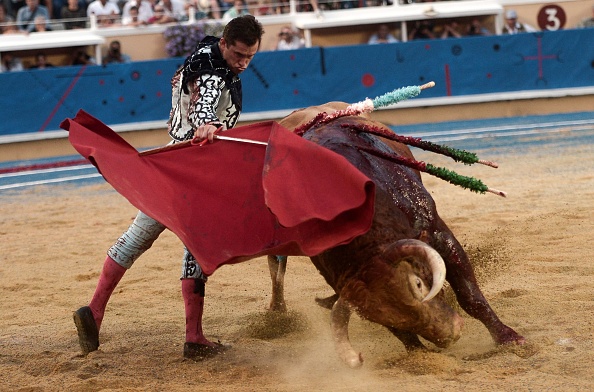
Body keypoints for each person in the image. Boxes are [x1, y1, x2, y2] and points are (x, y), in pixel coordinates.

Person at [72, 14, 264, 361]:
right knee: (196, 246)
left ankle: (95, 311)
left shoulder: (207, 50)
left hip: (172, 163)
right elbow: (206, 99)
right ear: (224, 45)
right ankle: (193, 337)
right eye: (238, 55)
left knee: (138, 237)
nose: (244, 64)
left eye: (250, 57)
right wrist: (207, 124)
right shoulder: (213, 72)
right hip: (193, 170)